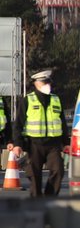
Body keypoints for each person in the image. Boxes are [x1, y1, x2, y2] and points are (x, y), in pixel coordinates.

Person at [8, 69, 70, 197]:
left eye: (48, 82)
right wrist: (17, 144)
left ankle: (49, 198)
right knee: (34, 176)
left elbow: (62, 123)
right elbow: (18, 124)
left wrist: (66, 143)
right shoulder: (28, 100)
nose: (47, 85)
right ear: (36, 83)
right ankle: (36, 202)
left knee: (58, 170)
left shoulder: (56, 99)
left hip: (53, 145)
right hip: (34, 144)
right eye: (43, 82)